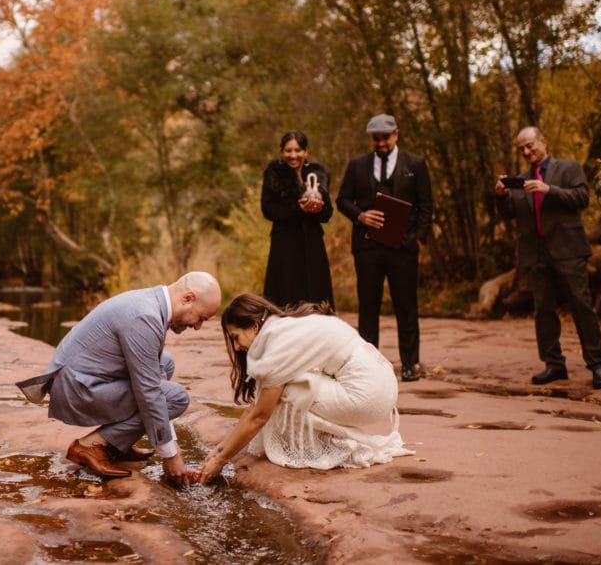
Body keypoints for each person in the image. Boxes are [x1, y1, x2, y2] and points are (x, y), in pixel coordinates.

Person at [194, 293, 410, 484]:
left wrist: (221, 460)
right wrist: (220, 450)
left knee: (285, 392)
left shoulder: (278, 344)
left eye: (235, 337)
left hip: (368, 394)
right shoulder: (284, 328)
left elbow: (259, 416)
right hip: (382, 381)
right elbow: (255, 406)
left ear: (254, 326)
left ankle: (331, 448)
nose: (236, 347)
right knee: (281, 386)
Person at [34, 271, 221, 485]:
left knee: (165, 362)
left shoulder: (150, 300)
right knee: (176, 398)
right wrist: (171, 454)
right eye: (201, 318)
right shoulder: (145, 316)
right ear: (188, 298)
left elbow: (150, 381)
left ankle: (116, 443)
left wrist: (169, 439)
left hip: (81, 378)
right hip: (79, 389)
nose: (198, 327)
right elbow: (149, 391)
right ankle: (91, 446)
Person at [495, 126, 601, 389]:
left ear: (543, 142)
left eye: (530, 145)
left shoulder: (569, 168)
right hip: (536, 254)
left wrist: (549, 190)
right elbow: (508, 212)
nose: (526, 151)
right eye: (521, 148)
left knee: (582, 306)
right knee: (543, 311)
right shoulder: (522, 179)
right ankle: (554, 364)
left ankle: (598, 365)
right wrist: (501, 196)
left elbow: (582, 198)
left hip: (568, 249)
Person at [335, 115, 433, 382]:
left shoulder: (415, 164)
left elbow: (426, 205)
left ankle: (410, 364)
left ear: (396, 135)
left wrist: (418, 238)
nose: (380, 143)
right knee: (368, 306)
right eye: (376, 139)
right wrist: (361, 216)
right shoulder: (357, 165)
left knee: (406, 306)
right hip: (367, 247)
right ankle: (369, 365)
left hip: (403, 248)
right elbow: (342, 200)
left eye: (385, 138)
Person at [261, 130, 335, 309]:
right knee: (286, 293)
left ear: (306, 152)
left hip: (312, 243)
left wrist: (317, 209)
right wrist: (298, 209)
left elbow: (328, 213)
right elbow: (268, 209)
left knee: (315, 293)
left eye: (298, 150)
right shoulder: (274, 174)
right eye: (288, 151)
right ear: (281, 152)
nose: (293, 155)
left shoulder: (318, 173)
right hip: (285, 243)